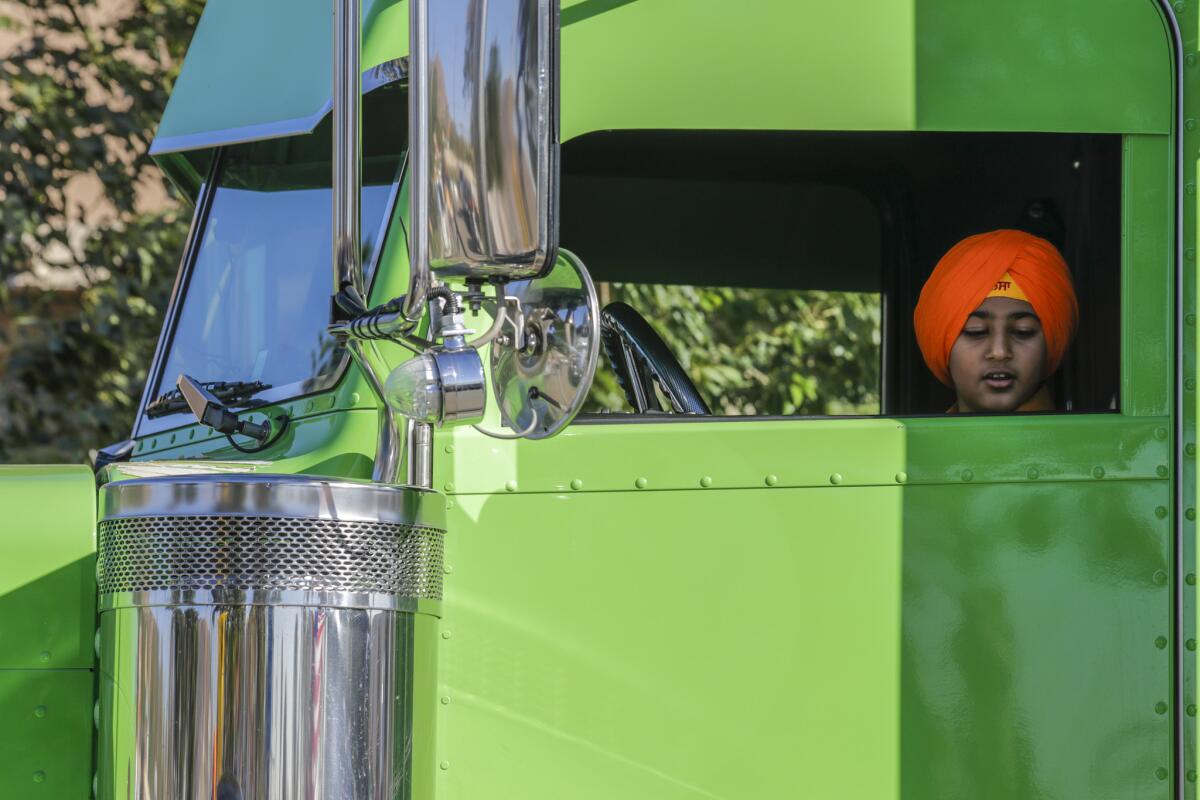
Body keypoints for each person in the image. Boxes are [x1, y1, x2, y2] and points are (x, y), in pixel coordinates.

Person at [914, 229, 1079, 413]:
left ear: (1052, 343)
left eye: (1023, 331)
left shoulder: (1086, 442)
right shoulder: (920, 442)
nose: (1000, 352)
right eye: (976, 331)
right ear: (942, 345)